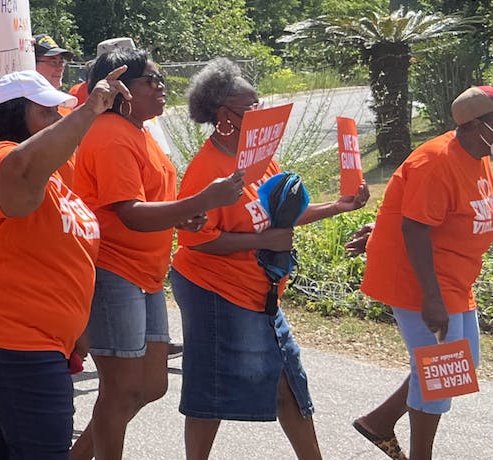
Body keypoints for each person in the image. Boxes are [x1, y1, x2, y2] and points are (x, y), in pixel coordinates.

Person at [169, 59, 369, 460]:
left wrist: (339, 206)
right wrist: (262, 239)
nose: (262, 115)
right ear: (225, 116)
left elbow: (282, 218)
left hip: (261, 292)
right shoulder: (207, 170)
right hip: (214, 291)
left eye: (261, 104)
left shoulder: (260, 159)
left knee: (289, 381)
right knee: (212, 390)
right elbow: (195, 242)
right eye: (252, 108)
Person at [69, 47, 244, 460]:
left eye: (161, 78)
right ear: (122, 90)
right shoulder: (110, 134)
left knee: (151, 386)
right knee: (122, 389)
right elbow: (130, 214)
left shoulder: (140, 132)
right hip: (114, 271)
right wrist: (199, 200)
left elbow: (148, 203)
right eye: (151, 79)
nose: (161, 86)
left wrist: (182, 218)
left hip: (145, 274)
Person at [0, 68, 125, 458]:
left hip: (37, 339)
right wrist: (89, 110)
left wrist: (76, 329)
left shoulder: (55, 178)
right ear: (14, 115)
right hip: (12, 336)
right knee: (43, 450)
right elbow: (22, 171)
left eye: (58, 111)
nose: (57, 119)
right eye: (46, 111)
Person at [352, 85, 493, 460]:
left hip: (454, 275)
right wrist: (430, 298)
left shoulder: (481, 156)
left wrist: (377, 230)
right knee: (442, 374)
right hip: (421, 279)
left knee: (462, 364)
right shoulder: (437, 161)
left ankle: (379, 422)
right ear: (477, 124)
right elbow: (414, 227)